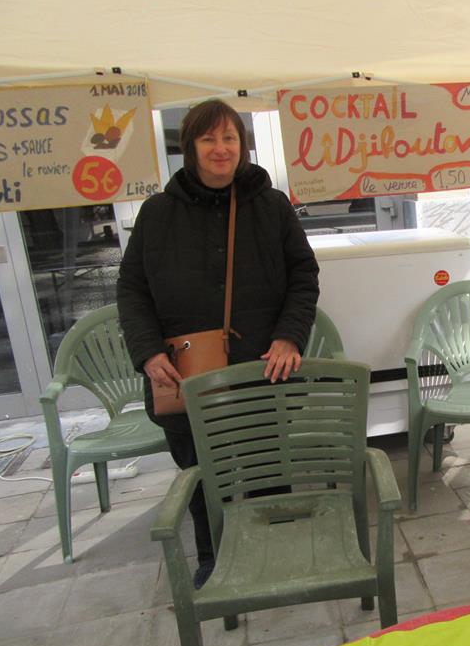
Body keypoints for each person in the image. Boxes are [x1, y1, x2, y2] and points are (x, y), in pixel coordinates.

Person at [117, 99, 320, 588]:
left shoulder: (271, 206)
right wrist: (148, 352)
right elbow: (132, 288)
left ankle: (276, 550)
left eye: (230, 137)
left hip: (261, 366)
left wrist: (289, 337)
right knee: (201, 470)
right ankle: (214, 556)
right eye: (209, 138)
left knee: (269, 461)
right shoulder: (158, 212)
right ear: (190, 146)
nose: (221, 148)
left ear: (242, 146)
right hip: (186, 371)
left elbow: (303, 275)